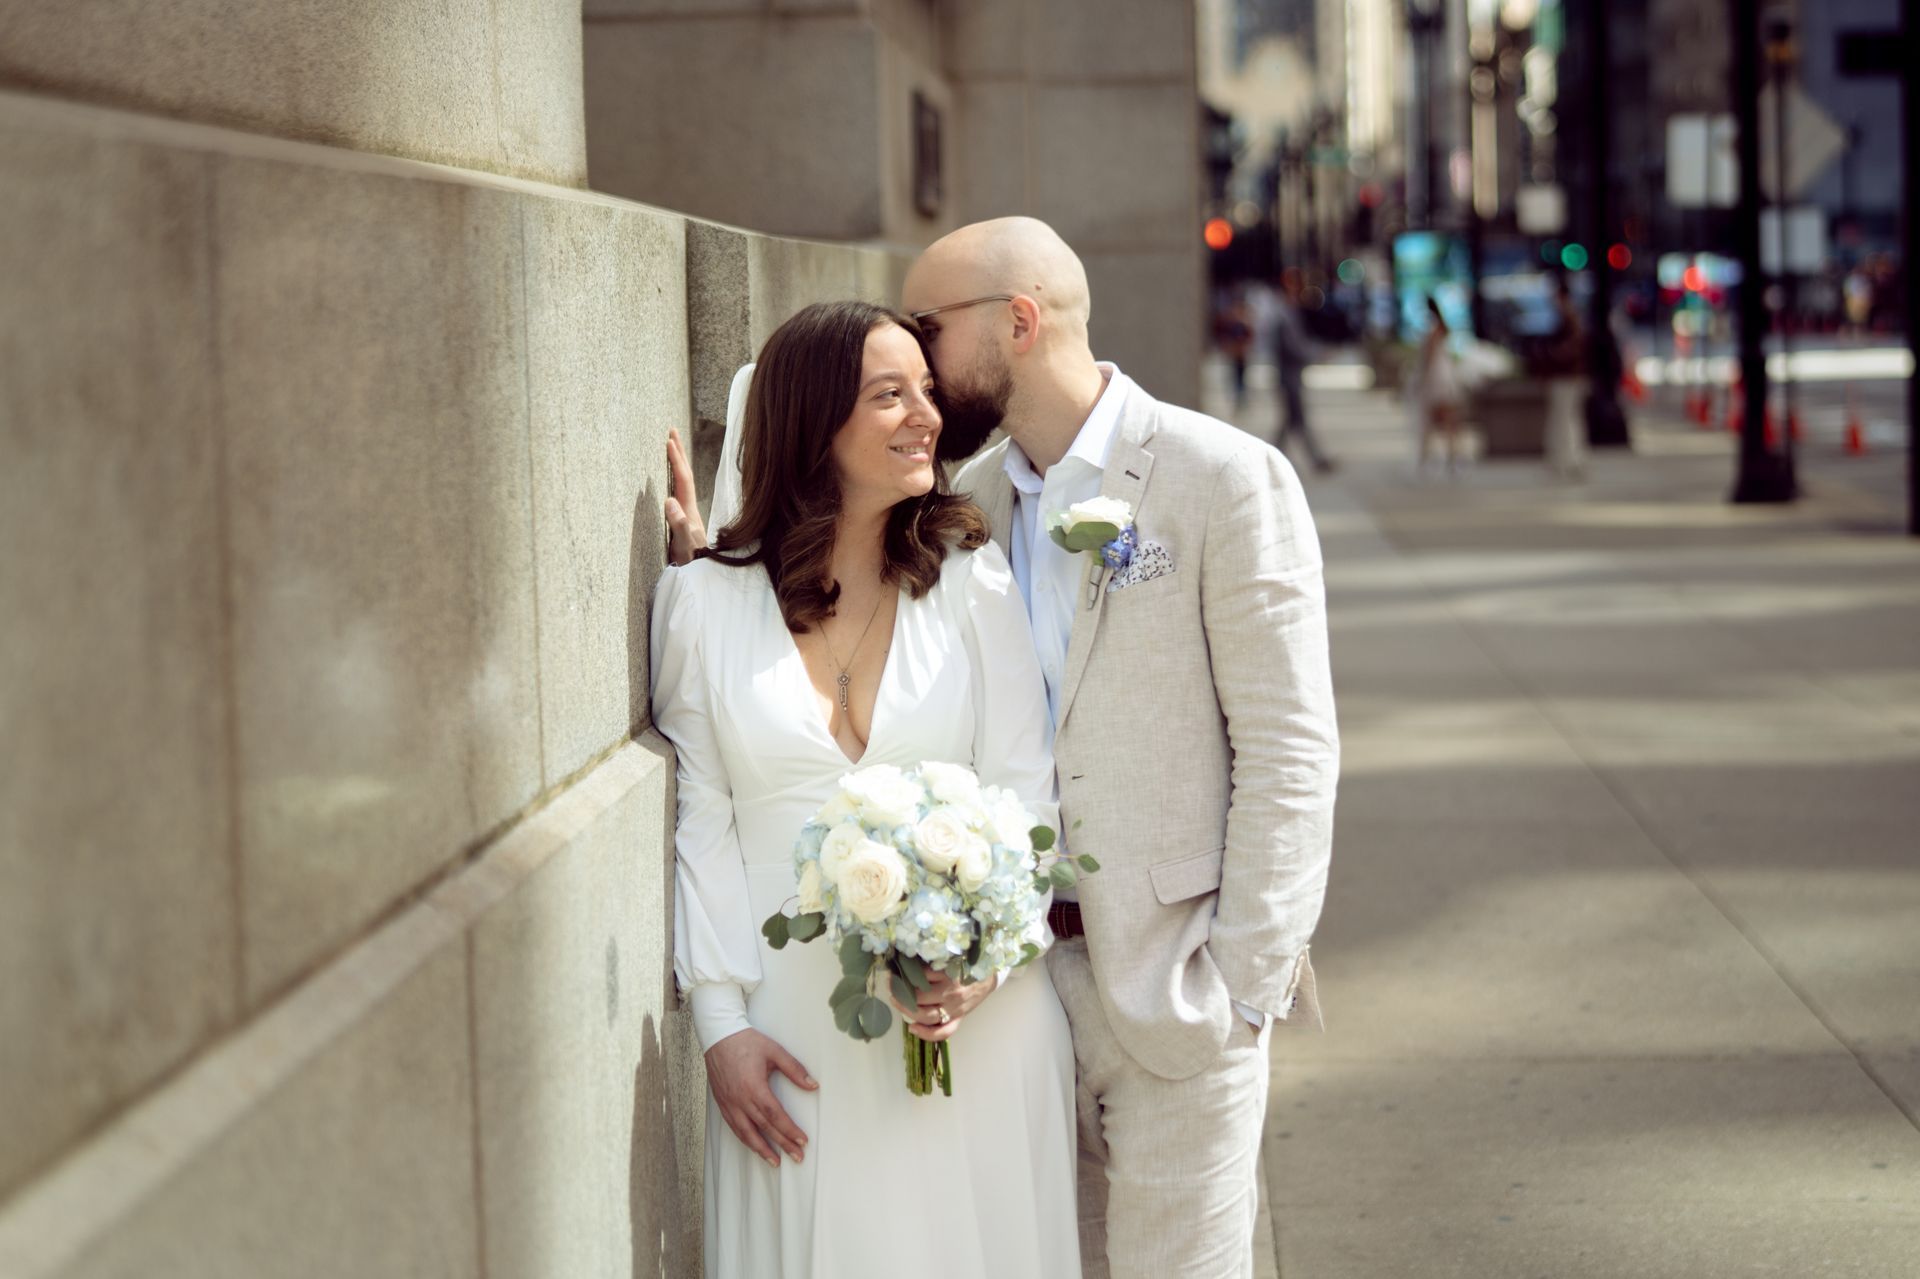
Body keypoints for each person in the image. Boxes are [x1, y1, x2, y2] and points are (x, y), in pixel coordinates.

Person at [670, 217, 1339, 1279]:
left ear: (1017, 322)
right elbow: (806, 574)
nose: (923, 367)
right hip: (1011, 1002)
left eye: (930, 331)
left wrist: (1240, 988)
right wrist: (715, 568)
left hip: (1170, 986)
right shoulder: (962, 510)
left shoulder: (1221, 478)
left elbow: (1290, 751)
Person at [652, 301, 1080, 1278]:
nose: (926, 415)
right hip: (791, 1043)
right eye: (890, 395)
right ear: (811, 423)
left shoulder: (968, 579)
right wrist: (721, 1028)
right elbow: (702, 819)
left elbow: (1025, 791)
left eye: (926, 391)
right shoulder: (703, 605)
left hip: (973, 1028)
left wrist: (986, 962)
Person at [1272, 278, 1336, 474]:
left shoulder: (1287, 315)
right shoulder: (1284, 316)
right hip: (1289, 376)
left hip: (1290, 375)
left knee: (1291, 421)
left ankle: (1274, 457)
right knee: (1297, 420)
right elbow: (1295, 346)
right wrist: (1317, 354)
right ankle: (1314, 459)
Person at [1542, 275, 1589, 482]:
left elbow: (1573, 345)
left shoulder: (1568, 316)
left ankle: (1569, 458)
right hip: (1568, 375)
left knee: (1565, 418)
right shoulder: (1569, 315)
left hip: (1567, 376)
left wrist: (1555, 353)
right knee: (1567, 418)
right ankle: (1567, 458)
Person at [1413, 295, 1464, 476]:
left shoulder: (1433, 331)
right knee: (1449, 422)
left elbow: (1429, 357)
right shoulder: (1442, 328)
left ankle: (1426, 459)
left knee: (1430, 421)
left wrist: (1421, 380)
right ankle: (1450, 459)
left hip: (1436, 378)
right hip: (1445, 375)